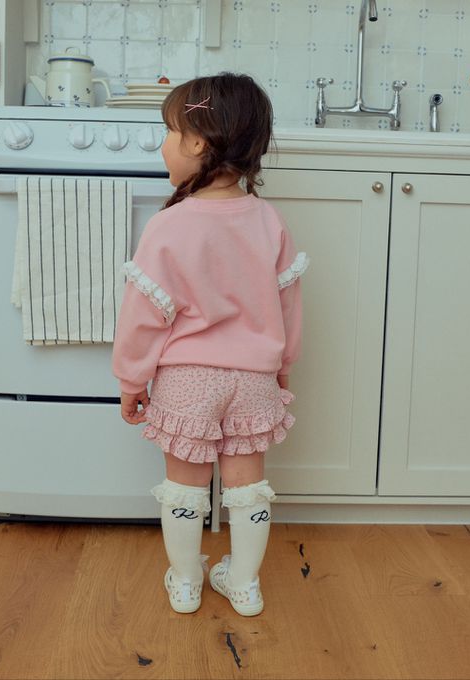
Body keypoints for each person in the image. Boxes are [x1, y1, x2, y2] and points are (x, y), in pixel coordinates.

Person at [112, 72, 308, 617]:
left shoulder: (169, 225)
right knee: (248, 488)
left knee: (185, 486)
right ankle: (243, 584)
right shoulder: (269, 220)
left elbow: (144, 314)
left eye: (168, 132)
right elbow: (288, 305)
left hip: (187, 378)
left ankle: (185, 581)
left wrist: (131, 377)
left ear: (198, 142)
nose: (162, 144)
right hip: (254, 378)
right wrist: (283, 366)